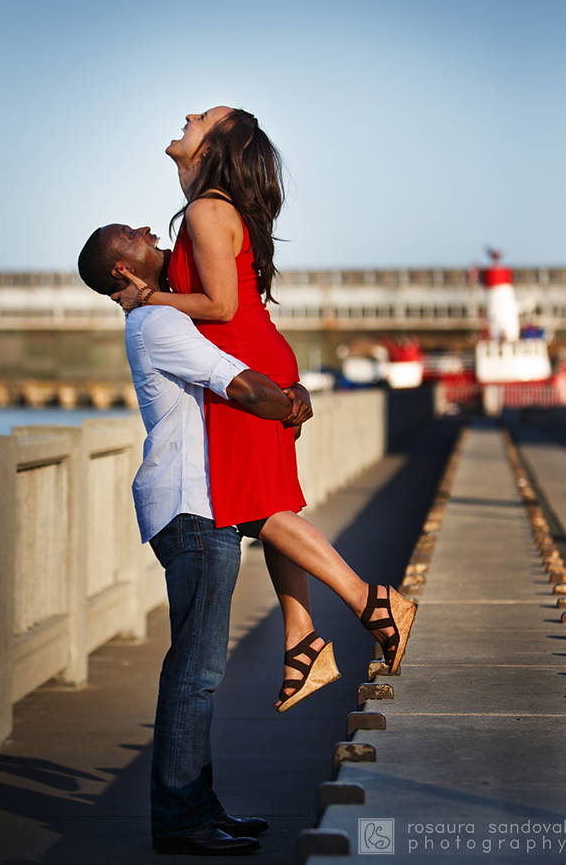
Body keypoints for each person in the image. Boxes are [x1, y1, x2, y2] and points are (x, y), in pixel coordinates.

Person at [110, 107, 417, 712]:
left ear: (217, 146)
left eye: (205, 117)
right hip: (255, 356)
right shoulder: (206, 200)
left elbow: (221, 306)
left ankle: (373, 602)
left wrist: (150, 295)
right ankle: (301, 643)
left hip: (243, 361)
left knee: (251, 510)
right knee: (266, 505)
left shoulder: (205, 208)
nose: (190, 114)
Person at [78, 229, 310, 854]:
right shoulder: (158, 323)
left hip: (198, 506)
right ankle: (181, 821)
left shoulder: (161, 313)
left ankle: (200, 807)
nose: (153, 232)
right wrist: (288, 403)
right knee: (196, 672)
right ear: (125, 267)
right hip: (191, 508)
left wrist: (288, 391)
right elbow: (238, 384)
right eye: (137, 234)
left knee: (197, 669)